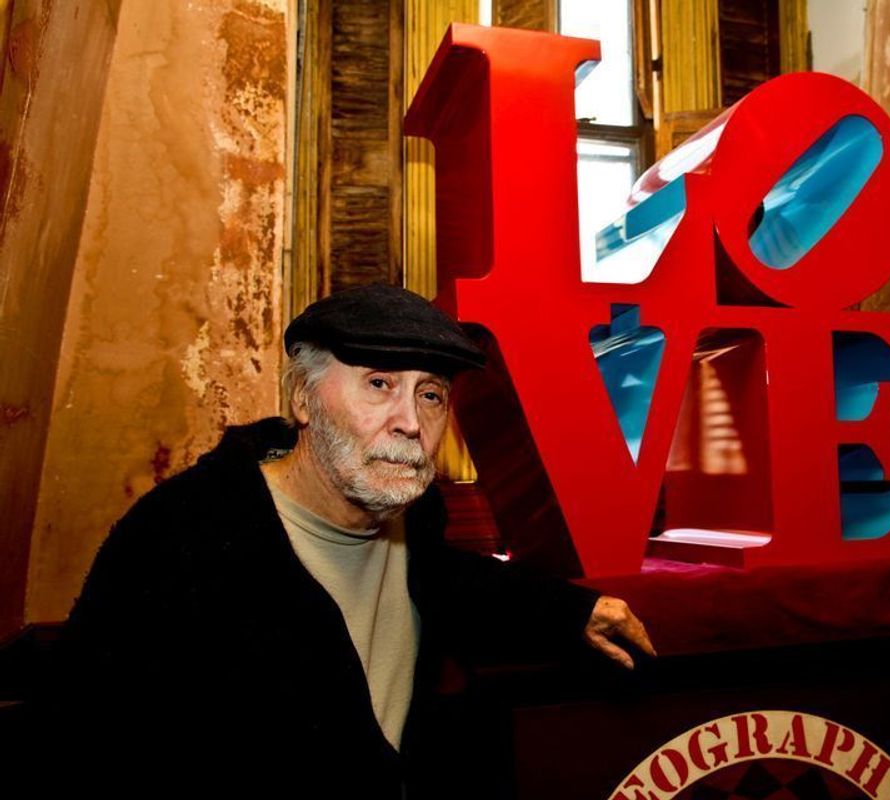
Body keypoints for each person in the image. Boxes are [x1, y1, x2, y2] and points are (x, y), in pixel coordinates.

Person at [34, 283, 655, 787]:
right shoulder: (180, 543)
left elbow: (449, 580)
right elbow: (88, 747)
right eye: (380, 383)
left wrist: (571, 609)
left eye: (431, 394)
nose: (411, 421)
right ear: (304, 398)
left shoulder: (413, 519)